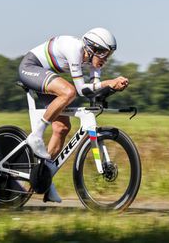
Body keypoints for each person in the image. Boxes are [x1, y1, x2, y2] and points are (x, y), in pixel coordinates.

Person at [18, 27, 129, 203]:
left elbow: (94, 88)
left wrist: (112, 88)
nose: (106, 59)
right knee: (69, 92)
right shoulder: (74, 49)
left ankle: (44, 179)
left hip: (46, 75)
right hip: (31, 67)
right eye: (104, 54)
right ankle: (36, 135)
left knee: (62, 128)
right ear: (92, 48)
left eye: (108, 55)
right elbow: (80, 90)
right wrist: (110, 82)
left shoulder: (93, 62)